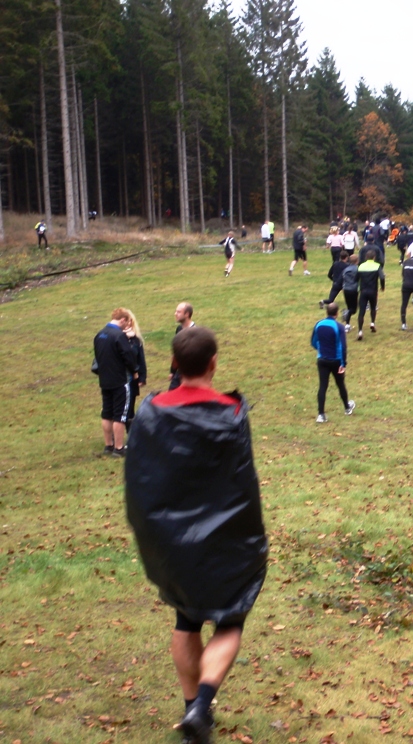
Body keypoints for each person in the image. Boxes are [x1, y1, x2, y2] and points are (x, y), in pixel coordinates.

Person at [124, 326, 268, 744]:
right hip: (225, 541)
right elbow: (242, 482)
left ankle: (193, 714)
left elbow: (142, 478)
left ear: (174, 364)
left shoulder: (151, 413)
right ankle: (202, 706)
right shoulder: (232, 414)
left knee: (186, 620)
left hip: (174, 541)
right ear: (213, 364)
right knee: (230, 620)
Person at [93, 308, 138, 456]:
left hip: (105, 380)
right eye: (127, 322)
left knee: (107, 414)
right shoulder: (119, 336)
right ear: (123, 320)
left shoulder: (99, 335)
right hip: (120, 380)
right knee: (120, 415)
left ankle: (108, 446)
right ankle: (119, 448)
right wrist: (135, 370)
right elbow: (129, 357)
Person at [311, 302, 354, 423]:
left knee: (323, 386)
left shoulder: (318, 324)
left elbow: (313, 341)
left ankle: (321, 414)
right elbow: (343, 346)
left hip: (322, 360)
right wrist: (343, 363)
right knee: (340, 384)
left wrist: (321, 349)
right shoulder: (339, 327)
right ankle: (347, 407)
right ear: (336, 313)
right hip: (335, 361)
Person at [121, 309, 147, 433]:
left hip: (132, 379)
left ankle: (131, 433)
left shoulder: (136, 340)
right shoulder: (118, 339)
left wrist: (142, 377)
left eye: (130, 321)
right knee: (121, 409)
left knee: (130, 407)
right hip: (120, 378)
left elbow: (140, 359)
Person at [356, 248, 385, 341]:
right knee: (373, 307)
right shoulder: (377, 266)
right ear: (374, 257)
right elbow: (382, 277)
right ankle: (372, 323)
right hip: (373, 291)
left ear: (365, 257)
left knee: (362, 311)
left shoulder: (360, 266)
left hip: (363, 291)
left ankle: (360, 331)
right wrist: (382, 286)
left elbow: (356, 278)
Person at [169, 302, 196, 390]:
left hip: (191, 375)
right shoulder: (179, 329)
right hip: (179, 373)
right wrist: (172, 372)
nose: (175, 314)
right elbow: (176, 353)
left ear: (187, 314)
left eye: (178, 312)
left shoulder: (195, 333)